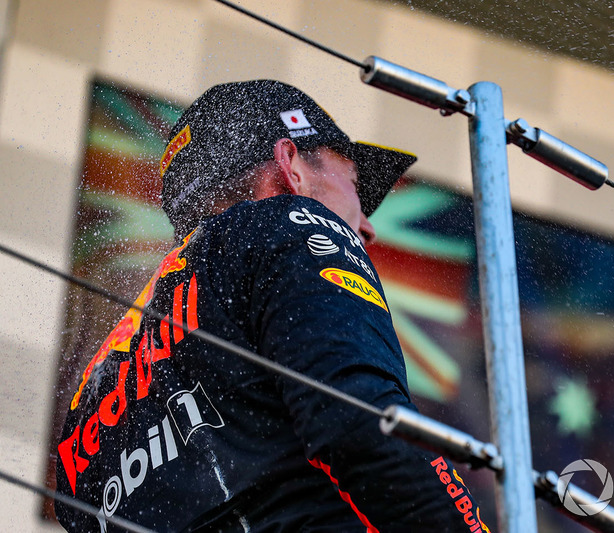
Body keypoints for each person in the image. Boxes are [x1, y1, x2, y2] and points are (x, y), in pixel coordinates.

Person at [55, 80, 491, 532]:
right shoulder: (290, 224)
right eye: (355, 184)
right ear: (291, 166)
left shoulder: (91, 394)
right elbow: (363, 423)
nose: (366, 226)